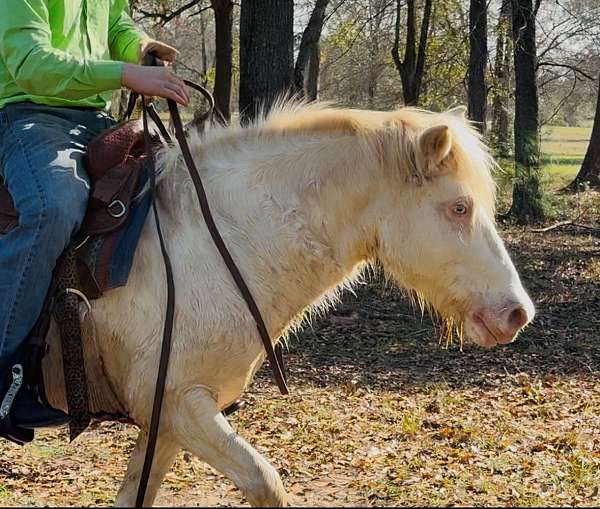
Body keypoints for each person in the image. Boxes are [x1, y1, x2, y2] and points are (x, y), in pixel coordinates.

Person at [0, 0, 189, 438]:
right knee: (54, 206)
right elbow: (31, 63)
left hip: (97, 119)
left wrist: (138, 46)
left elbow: (116, 23)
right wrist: (125, 75)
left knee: (181, 187)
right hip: (31, 116)